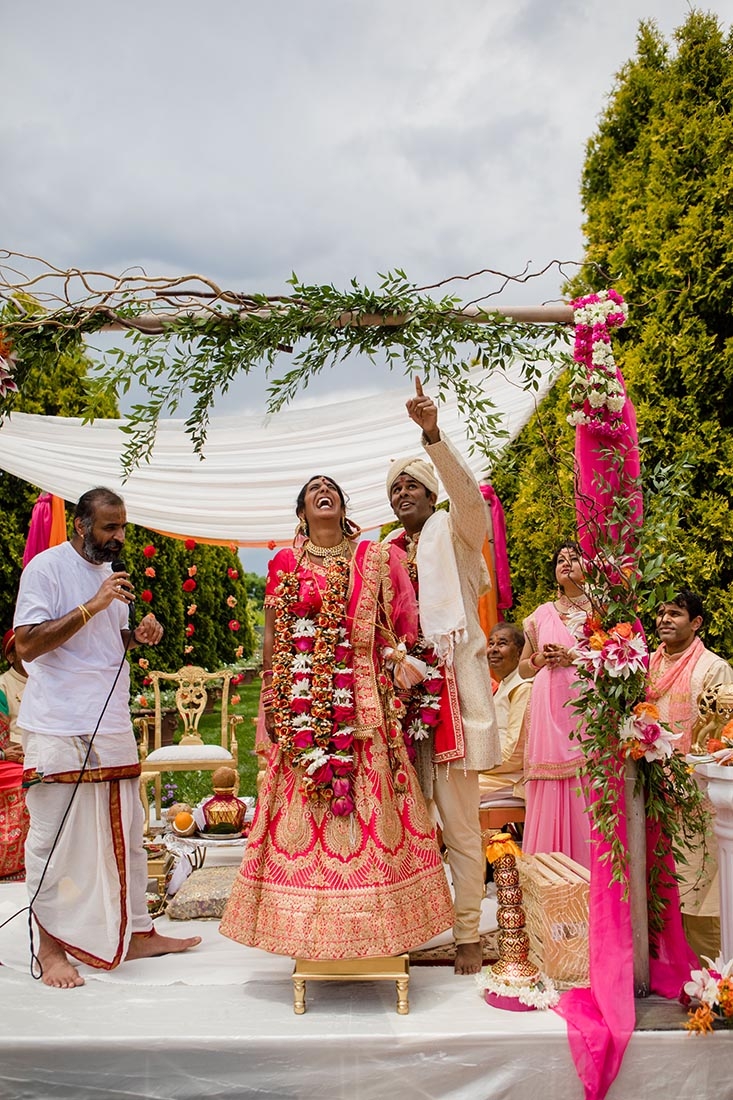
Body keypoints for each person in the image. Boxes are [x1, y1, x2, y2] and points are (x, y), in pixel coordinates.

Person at [220, 475, 454, 959]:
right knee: (305, 806)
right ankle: (305, 930)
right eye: (313, 489)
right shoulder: (286, 564)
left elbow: (402, 627)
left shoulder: (374, 558)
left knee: (376, 809)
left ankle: (381, 930)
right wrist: (273, 695)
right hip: (303, 702)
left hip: (367, 701)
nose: (323, 490)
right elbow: (273, 636)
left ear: (343, 507)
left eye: (331, 487)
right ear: (302, 511)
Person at [13, 486, 201, 988]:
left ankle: (137, 931)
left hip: (110, 718)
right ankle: (50, 948)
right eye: (109, 527)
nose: (119, 537)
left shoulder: (110, 576)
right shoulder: (46, 569)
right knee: (54, 839)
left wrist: (135, 635)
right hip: (58, 723)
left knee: (128, 832)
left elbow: (100, 643)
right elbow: (27, 645)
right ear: (81, 525)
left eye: (122, 527)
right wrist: (93, 606)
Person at [386, 379, 501, 975]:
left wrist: (432, 436)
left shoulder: (457, 534)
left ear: (433, 494)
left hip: (454, 703)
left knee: (459, 828)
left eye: (413, 484)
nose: (403, 492)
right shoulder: (384, 554)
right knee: (404, 828)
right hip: (399, 707)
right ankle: (409, 928)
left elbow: (470, 498)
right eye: (395, 487)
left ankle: (468, 934)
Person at [648, 590, 733, 961]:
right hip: (653, 795)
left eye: (676, 613)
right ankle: (670, 971)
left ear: (696, 623)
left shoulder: (713, 668)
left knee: (701, 892)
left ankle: (713, 974)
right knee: (661, 889)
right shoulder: (646, 666)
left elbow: (724, 735)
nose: (665, 619)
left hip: (698, 799)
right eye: (661, 613)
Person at [517, 543, 591, 869]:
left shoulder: (602, 610)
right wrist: (539, 659)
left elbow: (611, 658)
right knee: (552, 782)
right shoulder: (540, 615)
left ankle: (591, 872)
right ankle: (552, 874)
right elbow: (523, 668)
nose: (566, 563)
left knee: (586, 781)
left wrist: (572, 656)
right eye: (560, 559)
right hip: (548, 709)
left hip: (586, 708)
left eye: (574, 558)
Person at [479, 623, 531, 802]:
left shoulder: (522, 687)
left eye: (501, 644)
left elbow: (515, 754)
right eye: (491, 644)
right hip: (496, 771)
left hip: (512, 777)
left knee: (455, 792)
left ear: (519, 652)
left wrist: (475, 766)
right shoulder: (505, 683)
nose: (493, 650)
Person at [0, 629, 28, 877]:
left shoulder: (48, 682)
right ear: (11, 656)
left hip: (46, 752)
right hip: (11, 758)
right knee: (27, 781)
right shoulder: (3, 684)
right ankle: (15, 861)